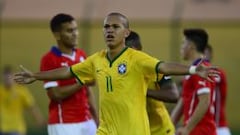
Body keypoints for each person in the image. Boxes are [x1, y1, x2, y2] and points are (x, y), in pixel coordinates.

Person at [14, 12, 218, 135]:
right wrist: (35, 76)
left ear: (126, 33)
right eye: (106, 27)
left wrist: (193, 70)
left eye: (115, 26)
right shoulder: (96, 59)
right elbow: (68, 71)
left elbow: (163, 67)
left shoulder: (137, 58)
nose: (109, 30)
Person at [39, 13, 98, 135]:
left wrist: (96, 117)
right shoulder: (49, 59)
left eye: (76, 29)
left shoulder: (81, 55)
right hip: (64, 123)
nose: (75, 34)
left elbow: (89, 90)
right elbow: (55, 94)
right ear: (57, 35)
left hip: (87, 120)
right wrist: (81, 82)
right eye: (70, 31)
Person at [126, 31, 179, 135]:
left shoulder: (153, 67)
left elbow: (173, 95)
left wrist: (143, 91)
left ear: (133, 49)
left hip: (161, 131)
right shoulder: (118, 72)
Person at [171, 28, 217, 135]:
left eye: (183, 43)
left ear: (191, 46)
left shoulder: (201, 69)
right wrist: (168, 126)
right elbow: (183, 101)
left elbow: (205, 101)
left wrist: (187, 128)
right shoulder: (193, 70)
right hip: (195, 130)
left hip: (202, 130)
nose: (181, 47)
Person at [0, 65, 45, 135]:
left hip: (16, 128)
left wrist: (39, 120)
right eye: (5, 76)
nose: (7, 79)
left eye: (9, 76)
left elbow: (32, 107)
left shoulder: (21, 91)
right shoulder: (1, 90)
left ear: (13, 77)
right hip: (2, 128)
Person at [204, 45, 231, 135]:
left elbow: (214, 78)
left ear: (211, 55)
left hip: (219, 127)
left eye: (206, 53)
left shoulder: (218, 73)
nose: (203, 57)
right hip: (205, 127)